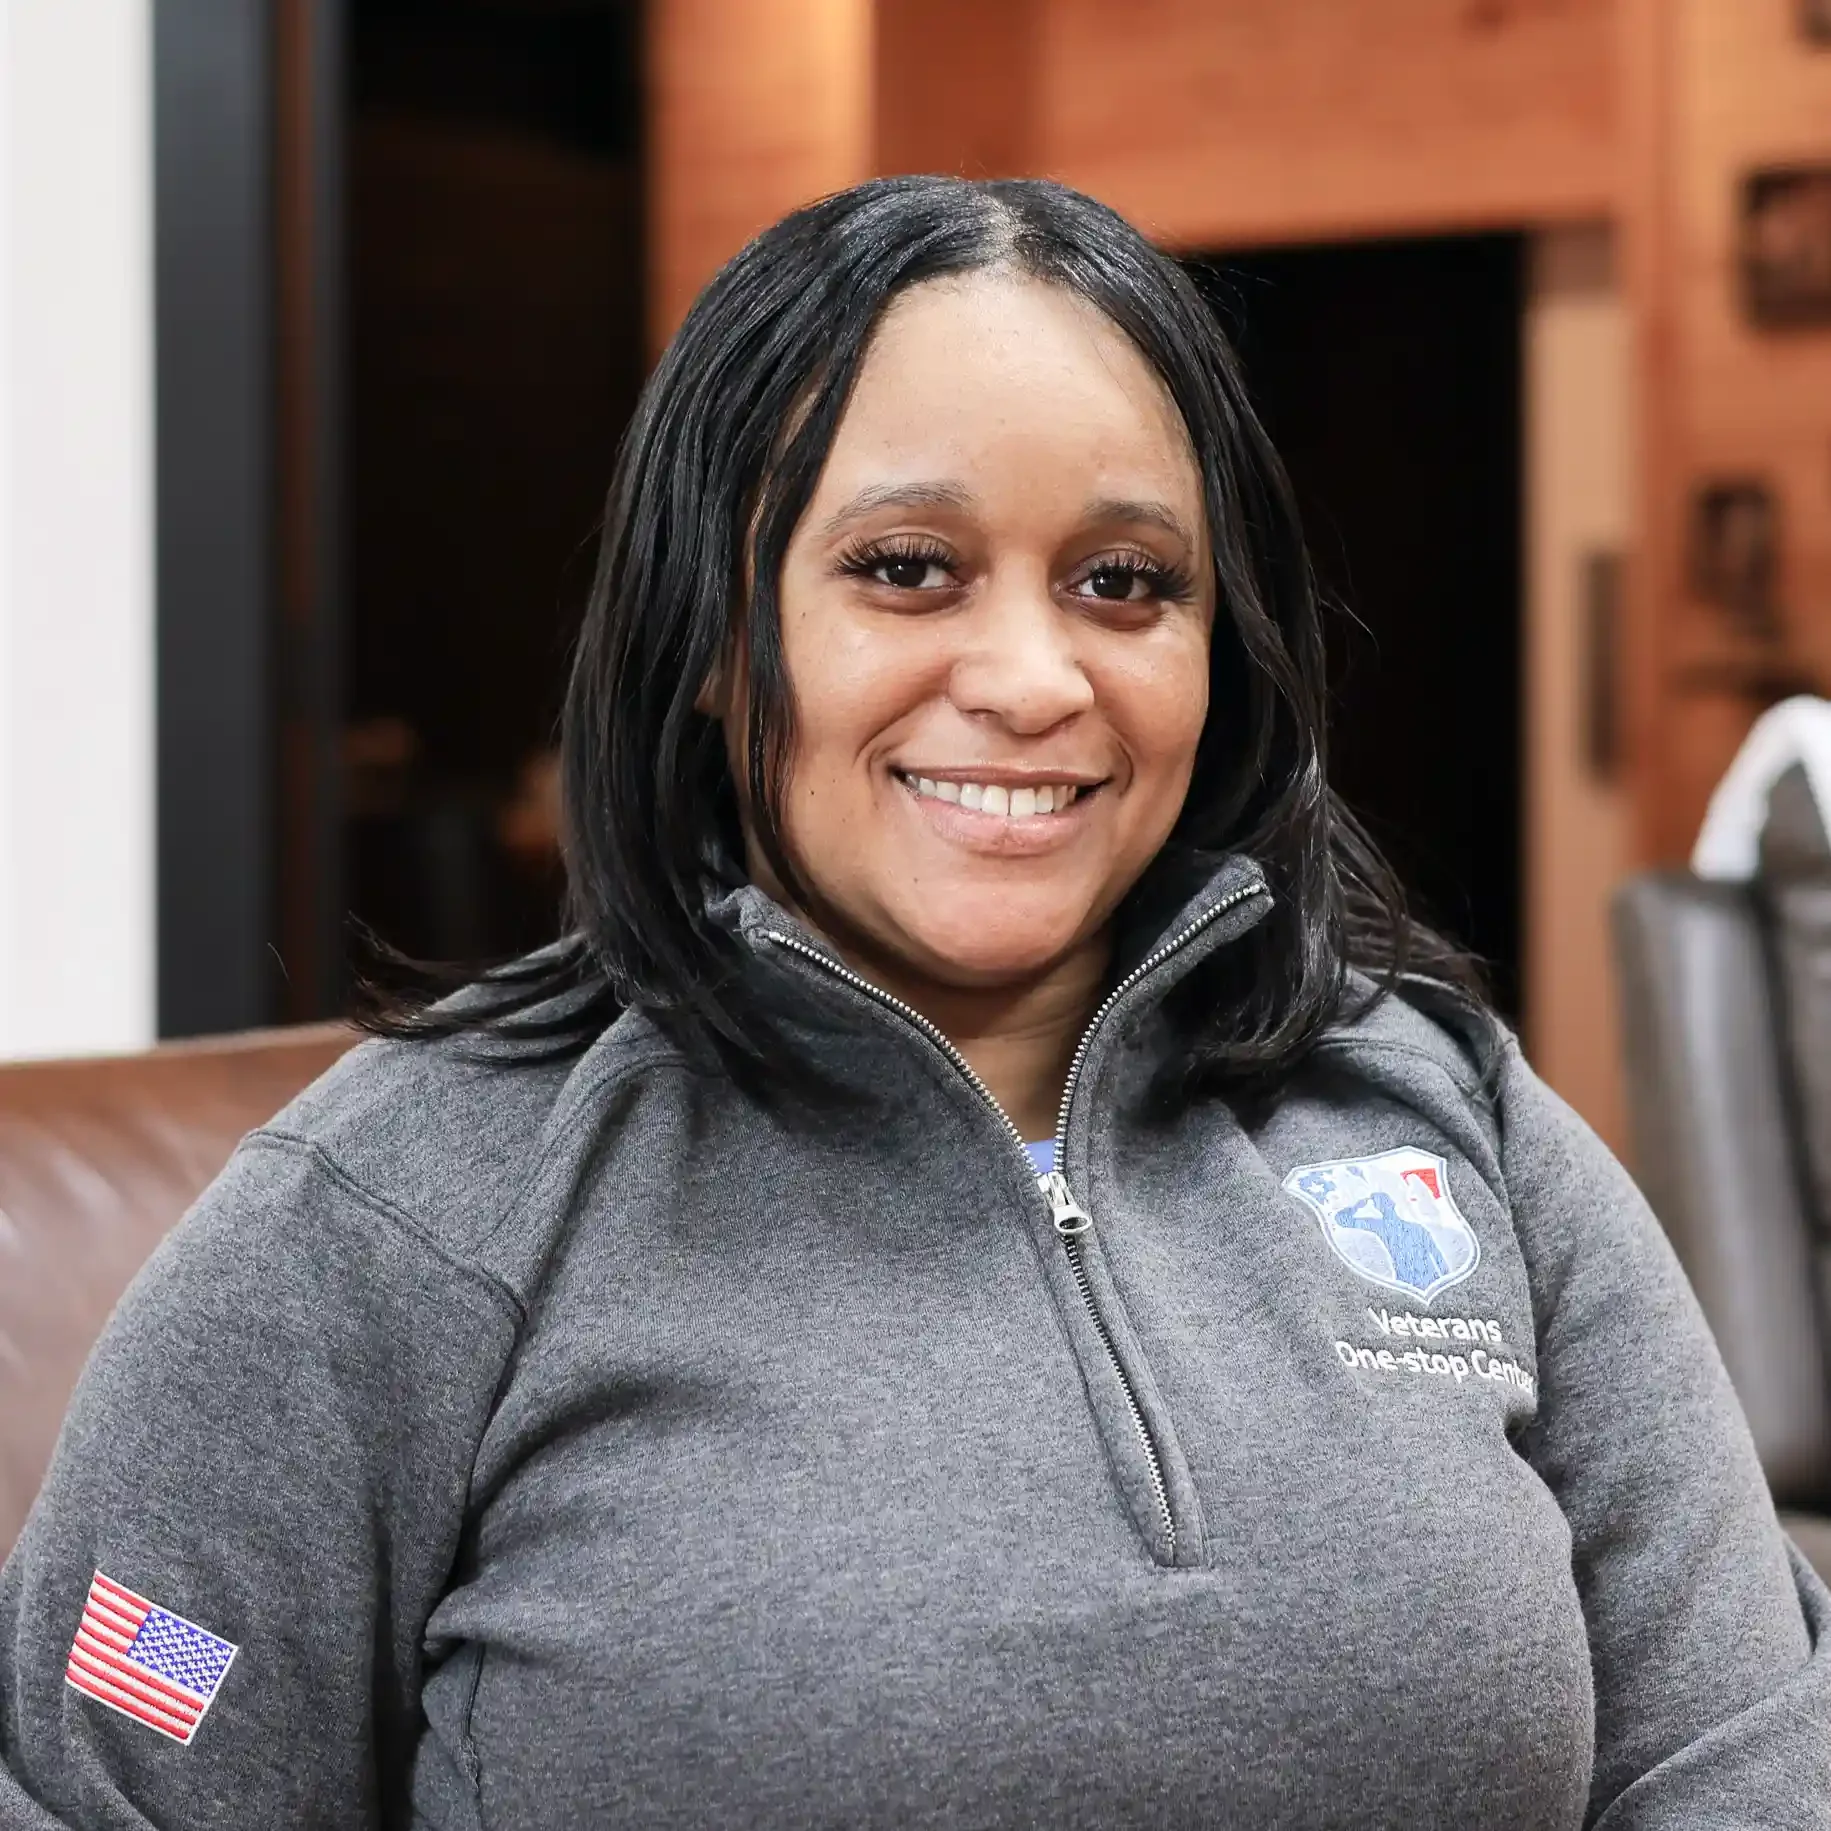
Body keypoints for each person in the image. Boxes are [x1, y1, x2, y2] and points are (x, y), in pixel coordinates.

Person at [1, 176, 1825, 1830]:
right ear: (714, 640)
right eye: (903, 569)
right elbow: (106, 1790)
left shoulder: (1454, 1118)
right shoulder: (399, 1212)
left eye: (1125, 583)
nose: (1031, 679)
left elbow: (1738, 1749)